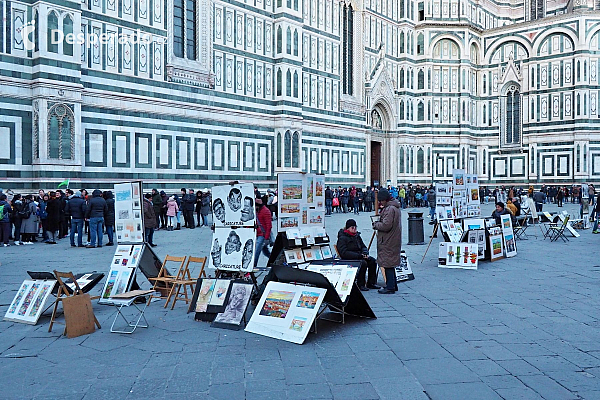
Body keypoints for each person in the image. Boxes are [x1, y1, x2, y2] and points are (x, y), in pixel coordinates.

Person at [337, 219, 380, 291]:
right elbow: (344, 253)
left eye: (355, 227)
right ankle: (361, 284)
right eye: (352, 228)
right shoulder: (342, 238)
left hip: (359, 255)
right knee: (363, 263)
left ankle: (371, 283)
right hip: (350, 258)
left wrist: (365, 253)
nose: (354, 229)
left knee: (372, 261)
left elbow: (363, 246)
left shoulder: (357, 236)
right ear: (348, 228)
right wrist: (359, 255)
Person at [372, 189, 402, 294]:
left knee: (388, 263)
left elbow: (386, 225)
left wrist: (376, 225)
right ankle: (393, 284)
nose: (380, 203)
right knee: (390, 263)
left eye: (381, 201)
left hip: (388, 240)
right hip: (393, 239)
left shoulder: (390, 209)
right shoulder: (395, 207)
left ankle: (390, 287)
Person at [254, 198, 272, 268]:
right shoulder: (257, 211)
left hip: (262, 235)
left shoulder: (266, 211)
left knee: (256, 251)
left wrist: (266, 238)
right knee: (265, 251)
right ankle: (273, 260)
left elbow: (269, 226)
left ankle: (253, 266)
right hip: (257, 233)